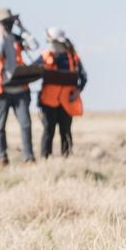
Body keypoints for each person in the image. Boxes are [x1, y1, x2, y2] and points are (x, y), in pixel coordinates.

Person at [0, 7, 38, 165]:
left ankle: (28, 157)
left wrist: (22, 29)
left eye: (9, 23)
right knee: (0, 126)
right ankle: (2, 157)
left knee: (26, 124)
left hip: (20, 89)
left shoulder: (18, 38)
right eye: (4, 23)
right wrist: (1, 36)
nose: (7, 26)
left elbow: (34, 46)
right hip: (2, 90)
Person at [35, 27, 87, 158]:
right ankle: (45, 158)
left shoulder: (72, 57)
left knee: (66, 131)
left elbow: (84, 77)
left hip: (66, 102)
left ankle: (67, 158)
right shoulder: (45, 56)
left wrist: (78, 91)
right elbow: (32, 72)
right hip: (48, 102)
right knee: (48, 130)